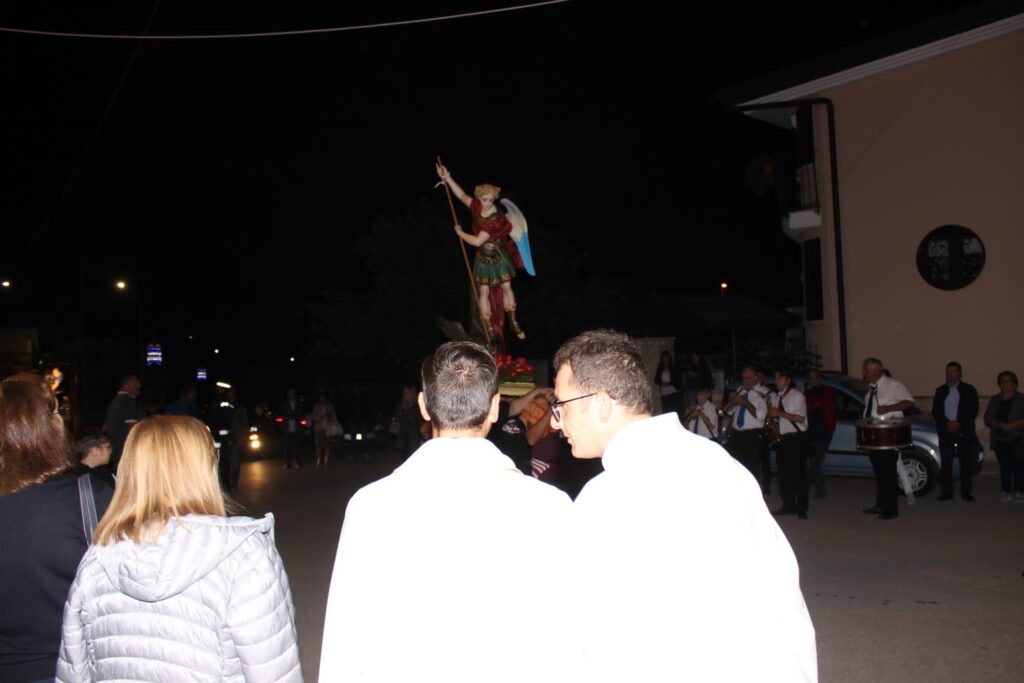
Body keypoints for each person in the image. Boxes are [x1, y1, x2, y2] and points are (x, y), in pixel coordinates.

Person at [549, 330, 816, 682]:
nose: (555, 421)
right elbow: (781, 596)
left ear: (601, 404)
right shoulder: (720, 463)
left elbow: (603, 642)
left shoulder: (607, 497)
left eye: (561, 406)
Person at [319, 341, 573, 682]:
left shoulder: (370, 506)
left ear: (424, 406)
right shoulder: (549, 507)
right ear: (494, 408)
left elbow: (346, 640)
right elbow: (568, 640)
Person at [56, 416, 302, 682]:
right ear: (204, 467)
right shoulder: (244, 555)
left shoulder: (98, 559)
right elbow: (273, 672)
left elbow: (74, 671)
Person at [0, 377, 114, 682]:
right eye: (54, 413)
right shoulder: (89, 496)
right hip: (74, 666)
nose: (61, 419)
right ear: (44, 428)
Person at [436, 162, 527, 341]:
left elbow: (477, 240)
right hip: (482, 257)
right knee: (483, 292)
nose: (487, 203)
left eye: (491, 200)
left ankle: (514, 321)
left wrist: (460, 233)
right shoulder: (477, 206)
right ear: (479, 198)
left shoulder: (496, 219)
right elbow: (462, 195)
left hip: (498, 256)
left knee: (506, 286)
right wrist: (447, 177)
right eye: (484, 199)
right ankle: (489, 327)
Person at [861, 357, 915, 520]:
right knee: (880, 474)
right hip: (874, 439)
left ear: (876, 371)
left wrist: (889, 408)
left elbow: (909, 402)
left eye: (866, 370)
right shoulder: (871, 390)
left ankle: (891, 509)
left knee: (889, 474)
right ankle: (881, 504)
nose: (863, 373)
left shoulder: (892, 385)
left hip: (888, 438)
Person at [931, 361, 980, 502]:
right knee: (946, 462)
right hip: (946, 431)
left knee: (966, 462)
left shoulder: (969, 390)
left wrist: (958, 423)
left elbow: (972, 410)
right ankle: (946, 492)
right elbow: (936, 411)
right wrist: (947, 423)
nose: (950, 374)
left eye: (953, 371)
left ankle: (966, 492)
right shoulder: (940, 390)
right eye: (948, 371)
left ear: (960, 373)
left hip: (964, 430)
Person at [769, 369, 810, 519]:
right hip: (783, 439)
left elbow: (800, 418)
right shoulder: (777, 396)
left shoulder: (797, 396)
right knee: (783, 475)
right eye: (775, 378)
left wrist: (779, 413)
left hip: (795, 438)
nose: (776, 381)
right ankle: (788, 505)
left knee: (798, 474)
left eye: (779, 378)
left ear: (787, 380)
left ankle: (802, 508)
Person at [724, 365, 768, 486]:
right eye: (743, 378)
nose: (745, 381)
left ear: (755, 378)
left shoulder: (763, 393)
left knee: (752, 468)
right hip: (737, 434)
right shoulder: (740, 390)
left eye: (748, 378)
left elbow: (761, 416)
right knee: (736, 465)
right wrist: (732, 403)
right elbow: (728, 411)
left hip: (752, 435)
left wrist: (745, 402)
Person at [983, 371, 1024, 502]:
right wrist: (1000, 424)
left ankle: (1020, 490)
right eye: (1002, 381)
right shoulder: (995, 400)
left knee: (1018, 466)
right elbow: (988, 419)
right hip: (1000, 438)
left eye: (1007, 381)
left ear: (1014, 384)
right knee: (1005, 466)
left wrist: (1012, 425)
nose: (1004, 384)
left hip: (1018, 438)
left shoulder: (1021, 399)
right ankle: (1005, 490)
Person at [805, 369, 837, 498]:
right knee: (813, 460)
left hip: (824, 431)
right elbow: (808, 407)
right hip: (812, 432)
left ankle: (815, 486)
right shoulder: (808, 393)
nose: (811, 380)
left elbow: (821, 403)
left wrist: (813, 398)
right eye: (810, 378)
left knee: (816, 460)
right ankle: (811, 485)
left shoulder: (827, 391)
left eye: (813, 378)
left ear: (819, 378)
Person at [102, 373, 144, 471]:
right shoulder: (127, 400)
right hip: (124, 451)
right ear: (125, 386)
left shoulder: (116, 401)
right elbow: (132, 427)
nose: (139, 385)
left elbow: (105, 427)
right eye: (136, 383)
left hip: (115, 451)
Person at [392, 385, 424, 461]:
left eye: (407, 392)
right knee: (404, 458)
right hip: (403, 437)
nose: (405, 395)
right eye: (404, 393)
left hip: (414, 438)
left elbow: (421, 420)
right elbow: (396, 417)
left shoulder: (418, 404)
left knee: (413, 458)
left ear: (412, 392)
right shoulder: (401, 405)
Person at [278, 388, 305, 469]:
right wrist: (288, 416)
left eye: (293, 393)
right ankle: (287, 463)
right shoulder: (284, 404)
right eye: (290, 394)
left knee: (297, 446)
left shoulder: (298, 404)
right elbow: (282, 415)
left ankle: (297, 462)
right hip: (287, 428)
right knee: (287, 446)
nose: (291, 395)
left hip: (297, 428)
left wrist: (295, 416)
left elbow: (301, 415)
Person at [311, 391, 339, 468]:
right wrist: (320, 417)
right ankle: (319, 459)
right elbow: (313, 417)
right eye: (321, 399)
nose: (322, 400)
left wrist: (330, 416)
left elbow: (334, 416)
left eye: (324, 399)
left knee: (327, 445)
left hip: (328, 428)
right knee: (318, 444)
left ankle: (327, 460)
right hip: (318, 428)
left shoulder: (330, 407)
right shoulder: (316, 407)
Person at [653, 350, 683, 417]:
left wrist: (669, 383)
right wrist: (662, 383)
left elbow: (677, 378)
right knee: (665, 411)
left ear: (669, 358)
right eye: (663, 358)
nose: (665, 359)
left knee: (673, 410)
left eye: (666, 357)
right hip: (664, 393)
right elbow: (656, 380)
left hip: (673, 392)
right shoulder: (660, 368)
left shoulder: (673, 367)